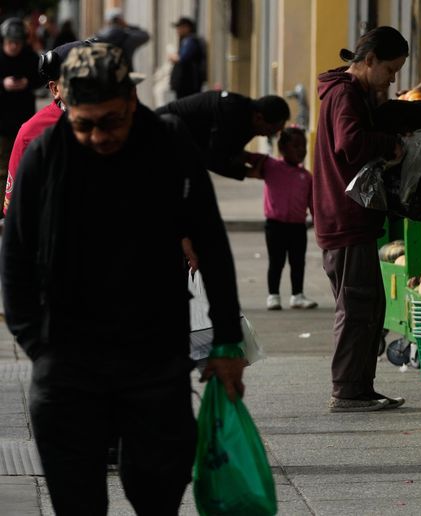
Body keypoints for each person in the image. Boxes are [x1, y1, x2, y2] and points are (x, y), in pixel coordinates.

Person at [0, 43, 246, 514]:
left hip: (154, 356)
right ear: (65, 106)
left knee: (158, 490)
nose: (98, 136)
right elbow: (14, 256)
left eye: (111, 121)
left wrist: (227, 344)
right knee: (77, 500)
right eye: (84, 123)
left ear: (131, 101)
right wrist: (37, 344)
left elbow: (212, 245)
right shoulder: (44, 153)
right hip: (68, 358)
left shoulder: (168, 144)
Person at [313, 26, 408, 412]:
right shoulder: (346, 95)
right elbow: (349, 144)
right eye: (389, 69)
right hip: (344, 217)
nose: (392, 78)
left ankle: (360, 388)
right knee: (356, 307)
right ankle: (348, 390)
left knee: (368, 307)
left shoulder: (348, 93)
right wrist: (391, 144)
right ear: (368, 61)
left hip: (347, 216)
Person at [4, 40, 92, 215]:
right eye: (76, 80)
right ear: (55, 89)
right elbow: (15, 208)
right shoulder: (31, 133)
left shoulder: (121, 118)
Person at [246, 126, 318, 310]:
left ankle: (297, 295)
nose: (301, 150)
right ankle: (273, 295)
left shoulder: (306, 176)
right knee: (276, 261)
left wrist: (319, 222)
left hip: (298, 226)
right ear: (283, 148)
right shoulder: (271, 166)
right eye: (296, 146)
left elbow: (313, 204)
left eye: (303, 146)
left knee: (297, 261)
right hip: (275, 225)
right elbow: (247, 157)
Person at [155, 90, 289, 180]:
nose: (269, 136)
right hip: (158, 136)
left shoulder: (246, 116)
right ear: (259, 118)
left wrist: (249, 157)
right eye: (272, 130)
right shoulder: (233, 115)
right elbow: (212, 159)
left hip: (174, 143)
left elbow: (226, 150)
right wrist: (247, 172)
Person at [0, 17, 40, 205]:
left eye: (17, 43)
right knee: (2, 170)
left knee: (26, 166)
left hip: (25, 123)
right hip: (2, 126)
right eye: (10, 42)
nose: (14, 47)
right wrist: (3, 84)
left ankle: (24, 207)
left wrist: (28, 83)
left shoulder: (30, 57)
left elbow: (43, 80)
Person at [168, 16, 205, 99]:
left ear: (187, 28)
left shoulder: (190, 41)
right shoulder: (187, 40)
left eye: (180, 28)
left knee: (185, 108)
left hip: (187, 85)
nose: (177, 30)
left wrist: (173, 57)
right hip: (187, 85)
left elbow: (183, 58)